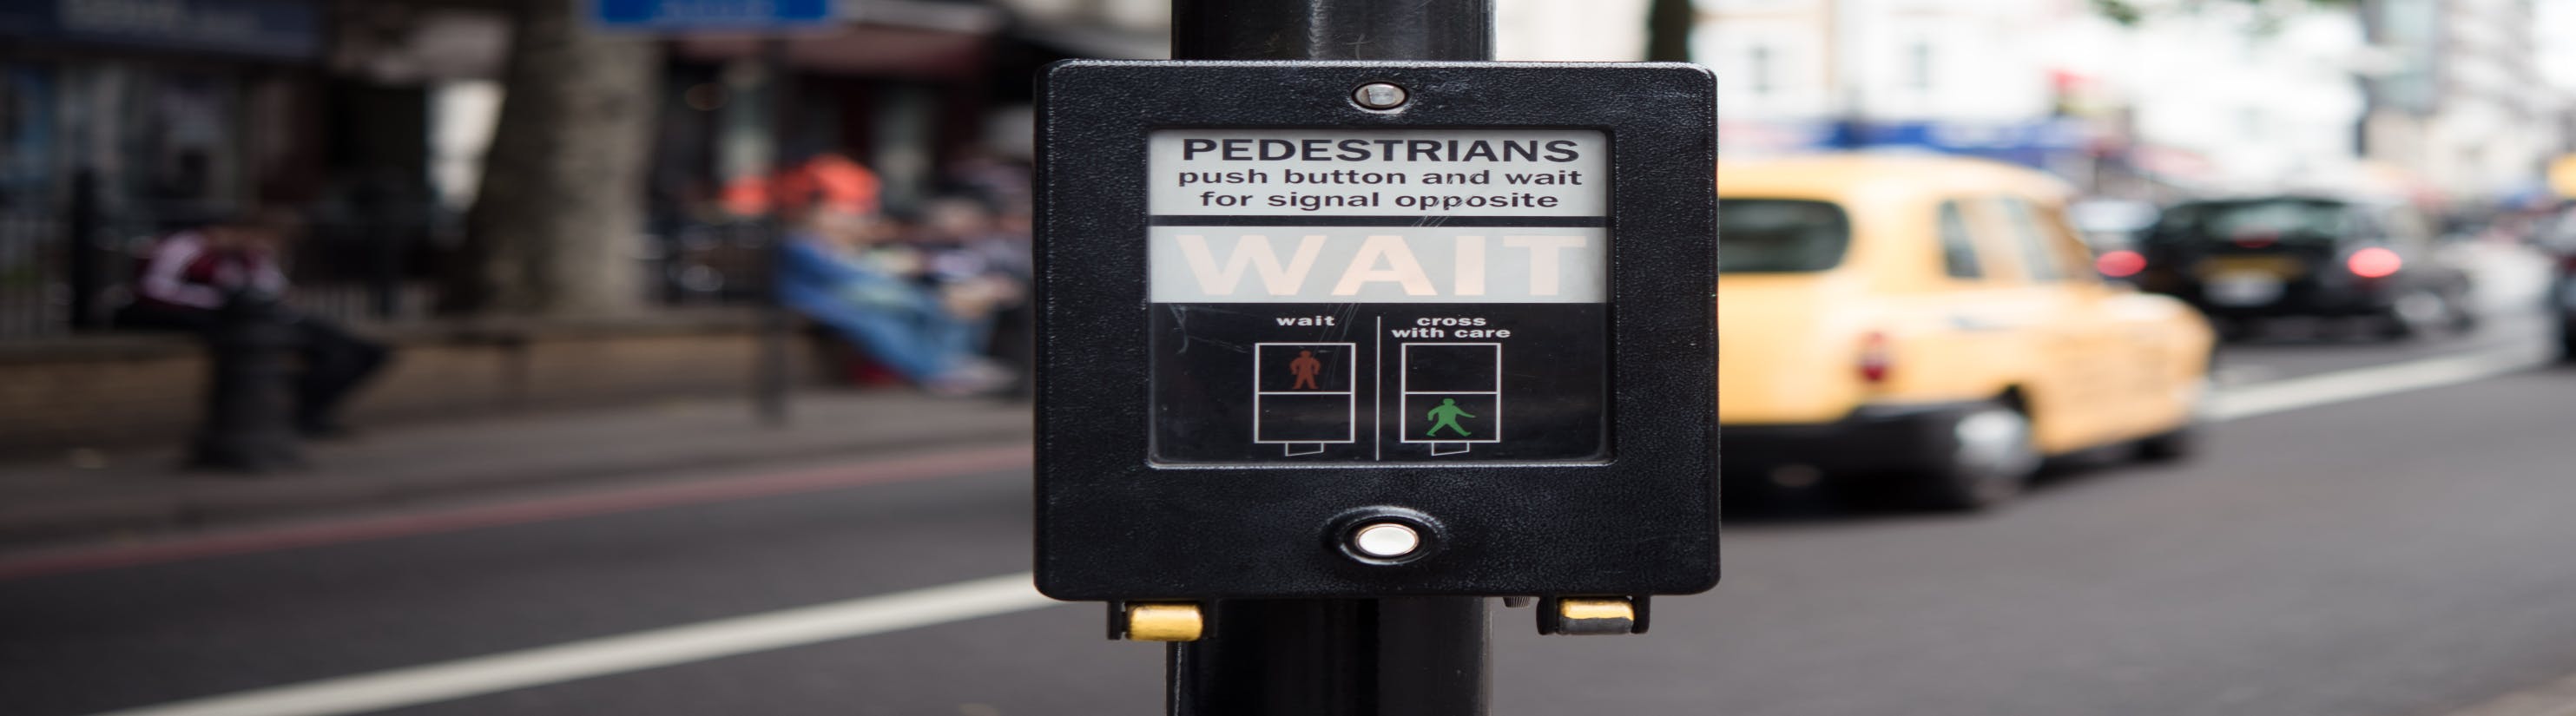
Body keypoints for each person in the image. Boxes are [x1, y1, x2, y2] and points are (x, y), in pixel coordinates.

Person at [115, 211, 390, 437]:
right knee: (324, 353)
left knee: (362, 353)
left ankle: (299, 411)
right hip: (217, 319)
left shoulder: (251, 257)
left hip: (263, 318)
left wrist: (272, 295)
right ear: (237, 231)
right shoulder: (184, 247)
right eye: (263, 239)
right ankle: (293, 414)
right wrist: (223, 300)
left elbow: (270, 288)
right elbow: (154, 290)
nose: (266, 247)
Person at [769, 156, 1014, 397]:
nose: (846, 219)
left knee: (905, 315)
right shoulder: (801, 242)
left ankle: (950, 365)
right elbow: (842, 275)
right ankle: (940, 370)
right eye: (838, 212)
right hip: (827, 302)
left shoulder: (843, 241)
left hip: (863, 299)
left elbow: (875, 268)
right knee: (901, 315)